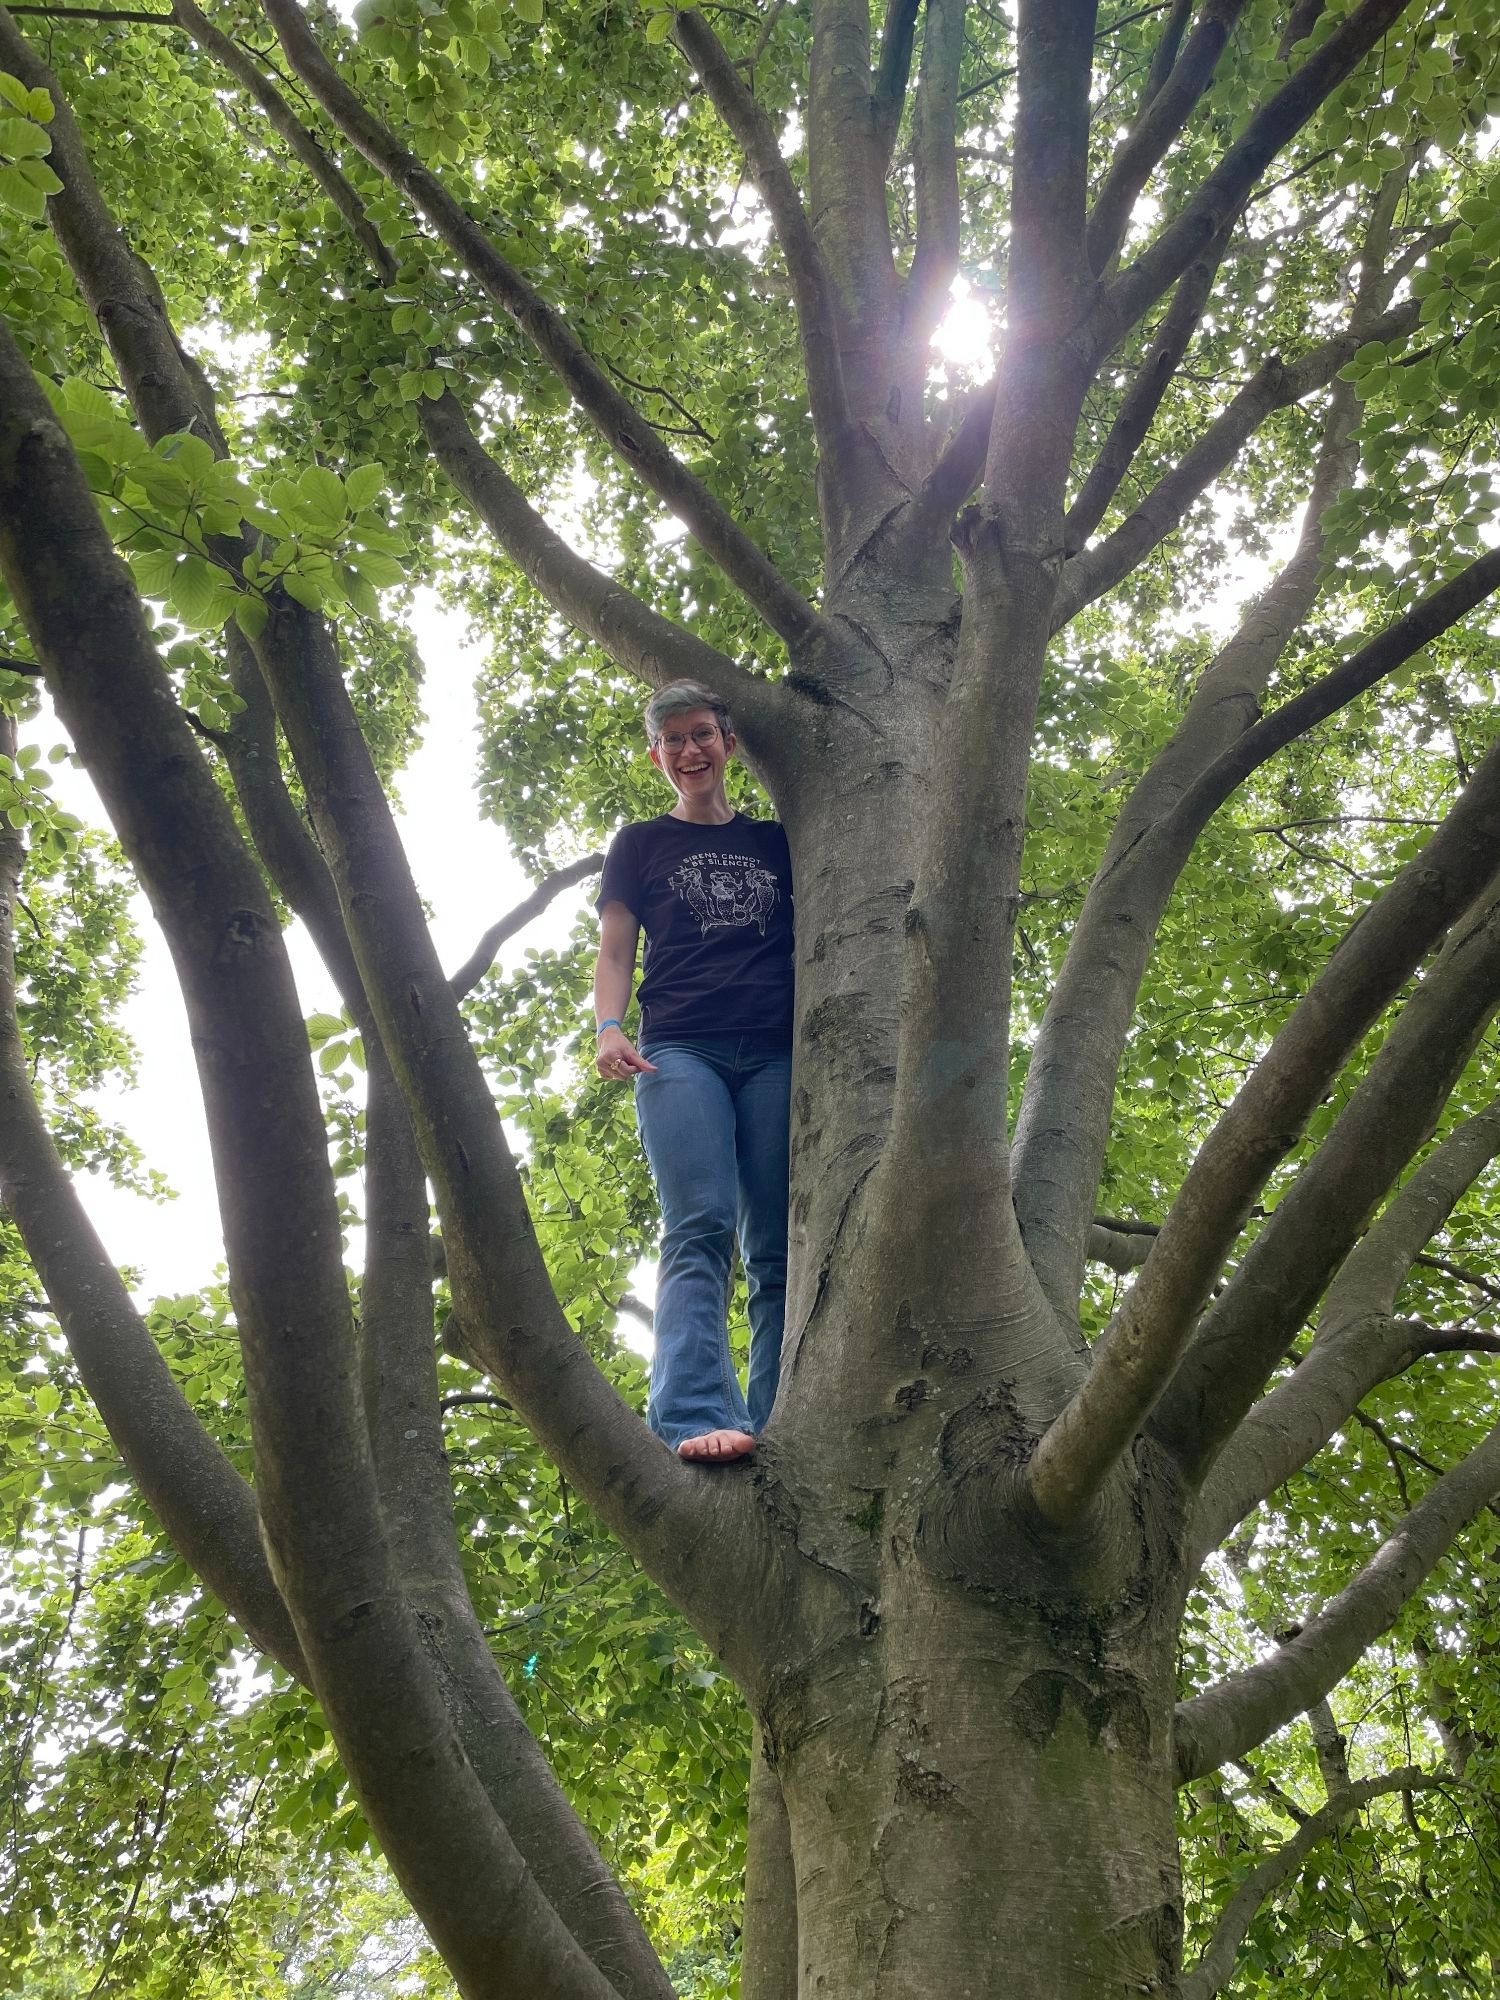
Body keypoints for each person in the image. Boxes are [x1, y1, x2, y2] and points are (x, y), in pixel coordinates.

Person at [593, 680, 794, 1463]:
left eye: (702, 733)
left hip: (778, 1052)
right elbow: (616, 949)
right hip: (679, 1047)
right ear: (656, 756)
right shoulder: (639, 844)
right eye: (672, 739)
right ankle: (691, 1411)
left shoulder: (776, 842)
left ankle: (779, 1418)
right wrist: (609, 1027)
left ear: (729, 743)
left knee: (778, 1244)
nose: (689, 750)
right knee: (701, 1225)